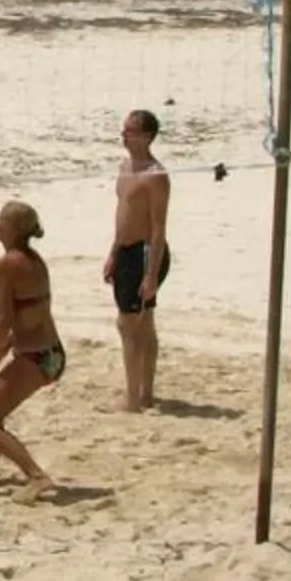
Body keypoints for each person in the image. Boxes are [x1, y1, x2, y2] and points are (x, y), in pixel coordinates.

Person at [0, 200, 62, 500]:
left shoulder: (7, 264)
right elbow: (31, 313)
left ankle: (37, 476)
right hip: (51, 354)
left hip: (36, 357)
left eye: (0, 219)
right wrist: (7, 345)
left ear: (11, 228)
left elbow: (6, 319)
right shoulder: (35, 260)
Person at [104, 109, 172, 411]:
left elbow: (158, 227)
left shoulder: (155, 176)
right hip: (126, 251)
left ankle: (134, 399)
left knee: (129, 324)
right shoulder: (124, 167)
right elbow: (123, 217)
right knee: (143, 324)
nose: (123, 134)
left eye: (129, 130)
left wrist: (152, 275)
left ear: (145, 135)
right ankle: (144, 394)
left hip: (145, 253)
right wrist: (112, 253)